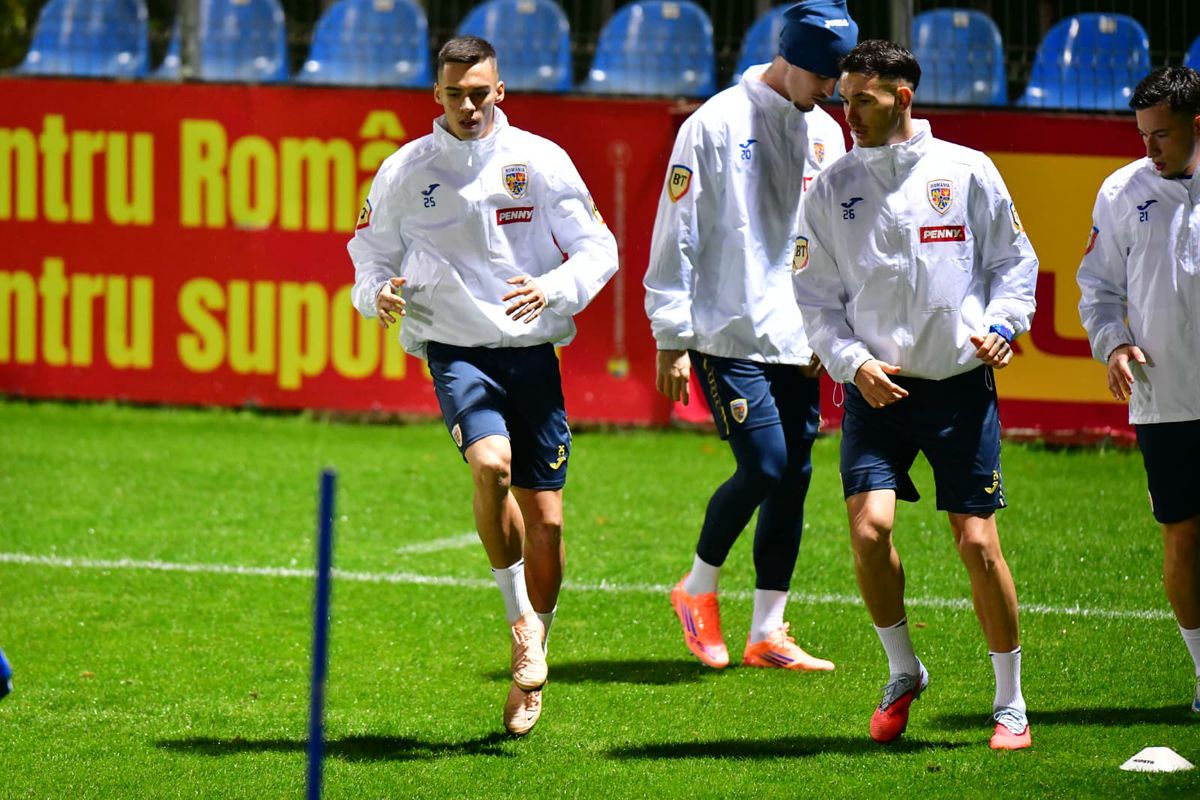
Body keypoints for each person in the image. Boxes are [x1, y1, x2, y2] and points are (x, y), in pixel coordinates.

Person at [348, 35, 618, 736]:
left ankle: (534, 654)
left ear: (500, 90)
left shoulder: (540, 160)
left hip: (531, 353)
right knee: (491, 467)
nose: (467, 106)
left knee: (548, 522)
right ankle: (521, 622)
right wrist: (376, 293)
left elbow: (598, 248)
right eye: (454, 95)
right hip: (456, 350)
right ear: (435, 95)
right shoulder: (405, 169)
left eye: (478, 93)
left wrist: (554, 288)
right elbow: (367, 256)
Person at [792, 40, 1038, 749]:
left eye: (862, 100)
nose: (848, 112)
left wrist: (1002, 325)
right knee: (869, 532)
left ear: (903, 97)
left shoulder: (967, 170)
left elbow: (1014, 263)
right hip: (876, 394)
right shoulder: (831, 185)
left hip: (959, 390)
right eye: (843, 98)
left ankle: (1010, 701)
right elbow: (814, 297)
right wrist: (852, 363)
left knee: (978, 543)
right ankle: (904, 671)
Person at [644, 0, 857, 673]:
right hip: (726, 330)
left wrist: (834, 328)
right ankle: (696, 588)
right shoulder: (713, 124)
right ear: (789, 58)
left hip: (799, 334)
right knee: (763, 464)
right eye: (824, 76)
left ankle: (767, 632)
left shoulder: (827, 132)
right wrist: (671, 335)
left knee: (794, 476)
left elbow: (832, 241)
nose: (832, 90)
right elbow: (675, 230)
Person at [1077, 66, 1200, 717]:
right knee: (1182, 536)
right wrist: (1114, 343)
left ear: (1196, 125)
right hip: (1165, 397)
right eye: (1142, 134)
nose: (1149, 147)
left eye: (1163, 134)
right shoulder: (1120, 192)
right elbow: (1098, 289)